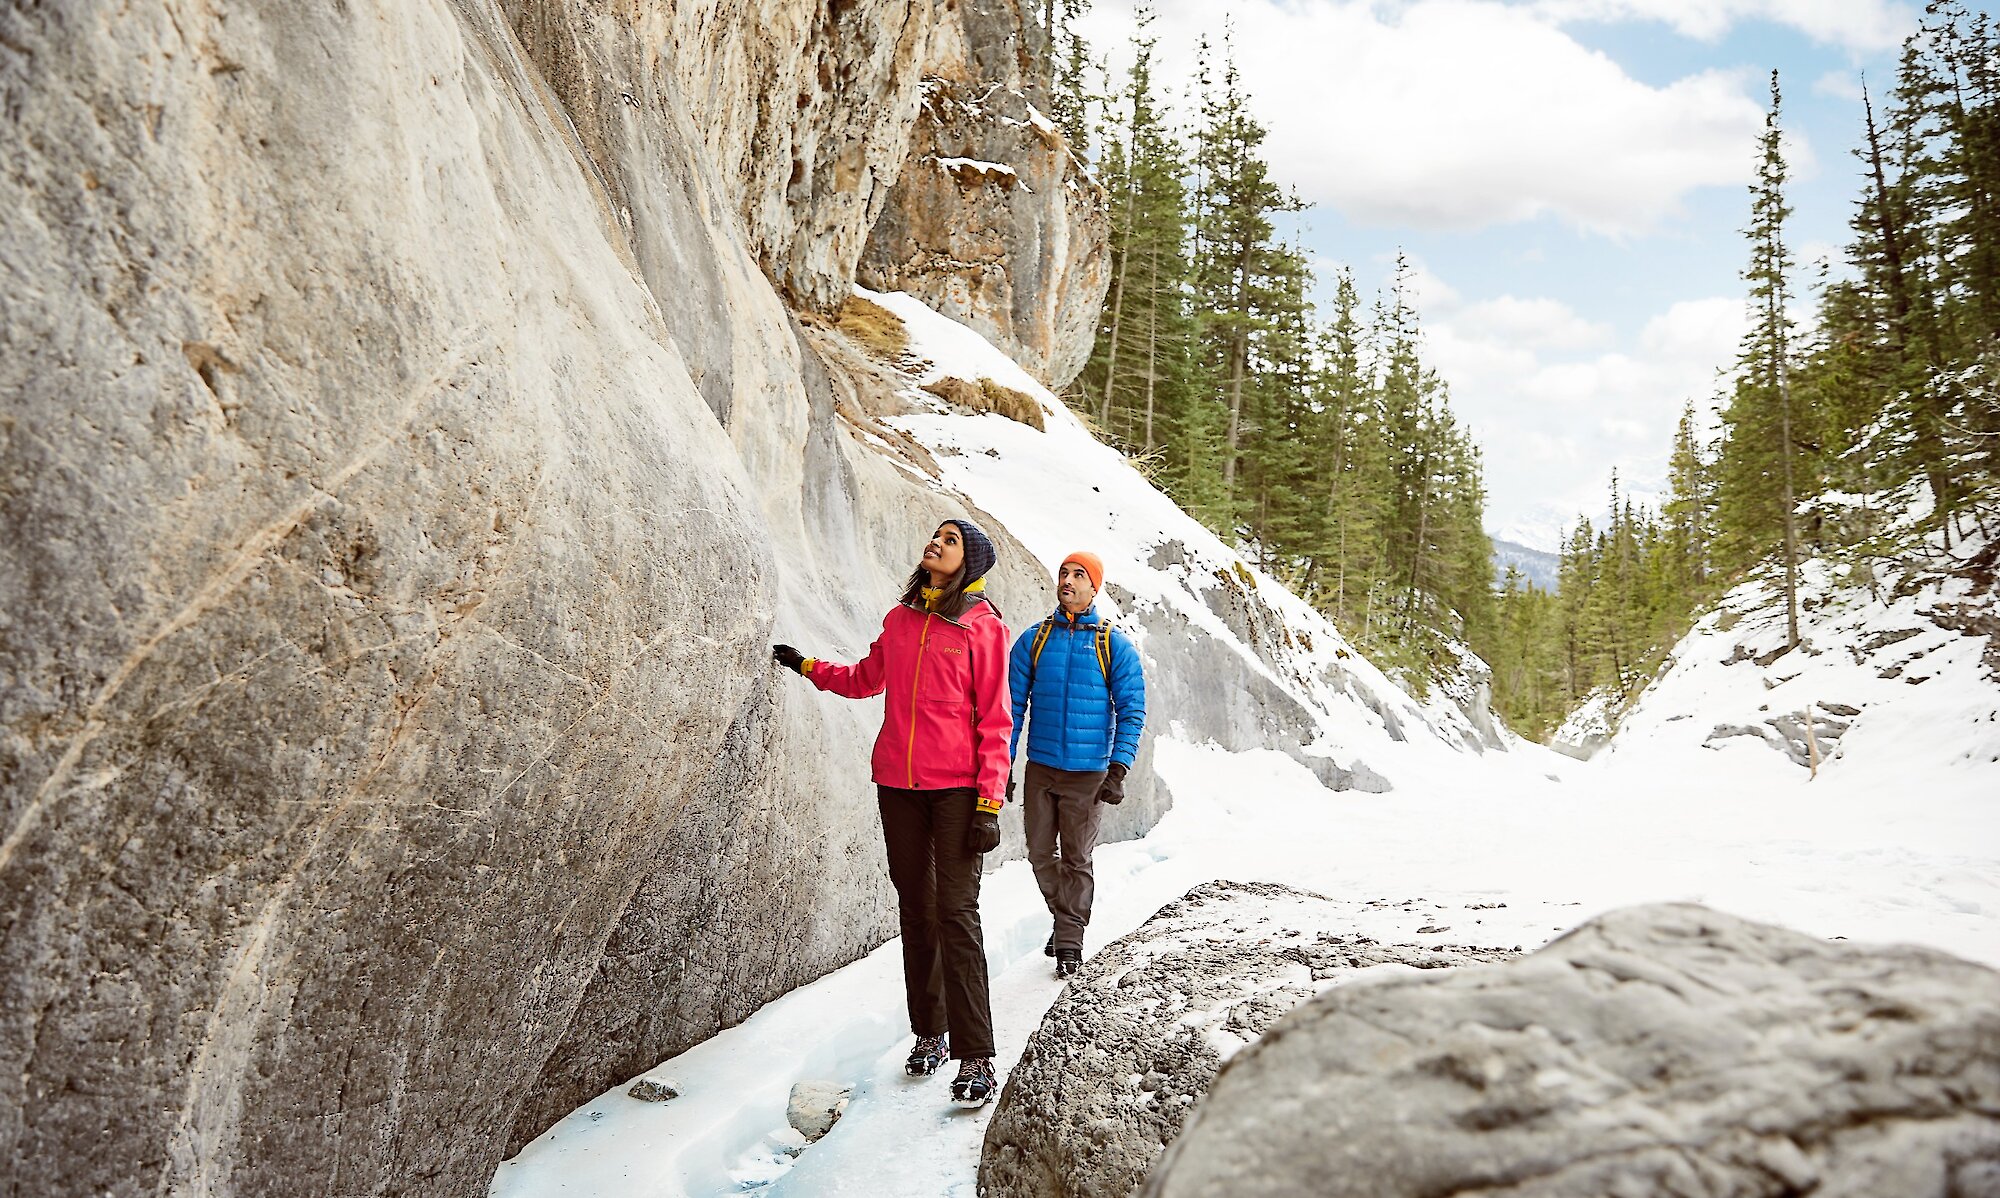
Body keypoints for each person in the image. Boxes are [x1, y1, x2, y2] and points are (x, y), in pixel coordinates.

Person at [771, 518, 1013, 1106]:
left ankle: (976, 1056)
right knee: (916, 907)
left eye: (950, 540)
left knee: (956, 912)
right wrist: (808, 667)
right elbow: (865, 678)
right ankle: (929, 1031)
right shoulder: (902, 619)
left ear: (970, 562)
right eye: (934, 535)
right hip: (898, 786)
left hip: (957, 791)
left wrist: (989, 801)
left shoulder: (983, 629)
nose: (935, 542)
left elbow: (996, 719)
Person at [1007, 551, 1146, 980]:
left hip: (1088, 773)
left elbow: (1132, 708)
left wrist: (1118, 768)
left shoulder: (1112, 644)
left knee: (1077, 857)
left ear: (1094, 586)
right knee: (1037, 853)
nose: (1067, 580)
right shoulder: (1034, 640)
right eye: (1063, 573)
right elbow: (1010, 708)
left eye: (1078, 575)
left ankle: (1069, 940)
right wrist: (1001, 765)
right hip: (1042, 768)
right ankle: (1066, 917)